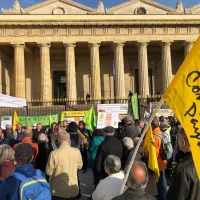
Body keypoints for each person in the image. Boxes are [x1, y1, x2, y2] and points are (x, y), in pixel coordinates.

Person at [46, 127, 83, 200]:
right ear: (69, 140)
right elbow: (80, 166)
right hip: (72, 187)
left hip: (57, 190)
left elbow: (49, 172)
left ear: (58, 140)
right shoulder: (76, 151)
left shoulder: (54, 153)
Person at [165, 126, 200, 200]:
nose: (177, 142)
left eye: (178, 139)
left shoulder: (182, 170)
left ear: (183, 141)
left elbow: (175, 196)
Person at [152, 119, 167, 200]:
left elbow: (155, 152)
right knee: (163, 180)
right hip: (163, 161)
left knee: (160, 182)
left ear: (152, 126)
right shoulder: (161, 133)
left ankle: (162, 197)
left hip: (158, 162)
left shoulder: (155, 136)